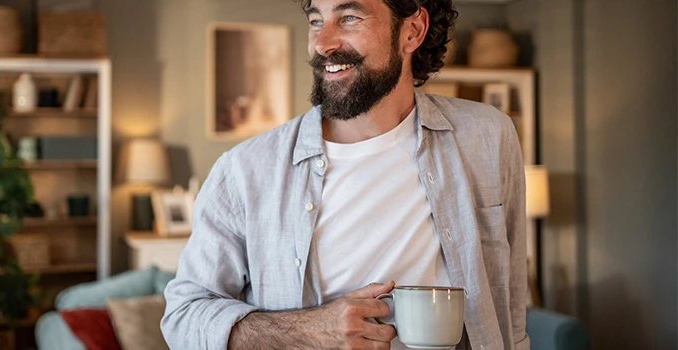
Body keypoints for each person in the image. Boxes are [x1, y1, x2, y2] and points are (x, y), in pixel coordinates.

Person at [161, 0, 529, 349]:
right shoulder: (245, 170)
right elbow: (183, 318)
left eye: (349, 17)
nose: (323, 43)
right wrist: (308, 332)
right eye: (316, 20)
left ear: (412, 31)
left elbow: (509, 310)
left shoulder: (487, 136)